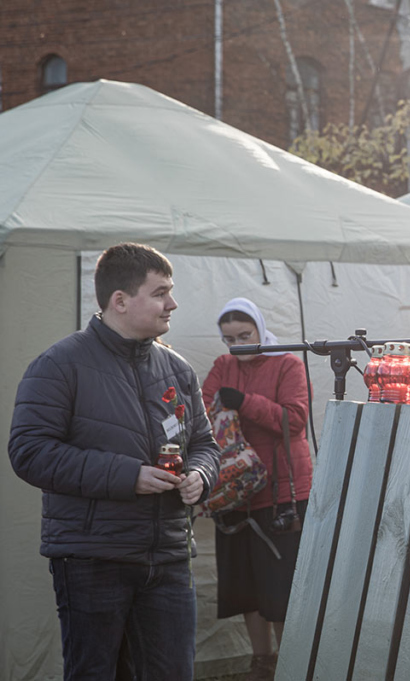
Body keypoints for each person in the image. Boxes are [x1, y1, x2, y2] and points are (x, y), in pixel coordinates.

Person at [8, 243, 220, 680]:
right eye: (161, 292)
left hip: (168, 557)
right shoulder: (59, 365)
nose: (172, 303)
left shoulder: (177, 370)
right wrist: (128, 476)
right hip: (92, 560)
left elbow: (205, 444)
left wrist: (200, 474)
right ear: (119, 301)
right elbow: (29, 452)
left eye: (171, 291)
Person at [201, 298, 313, 681]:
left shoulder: (287, 364)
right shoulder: (223, 365)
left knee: (279, 588)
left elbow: (294, 421)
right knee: (246, 585)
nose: (239, 345)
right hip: (235, 492)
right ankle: (261, 662)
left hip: (282, 493)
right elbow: (205, 412)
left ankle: (289, 664)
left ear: (261, 331)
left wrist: (244, 403)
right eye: (229, 338)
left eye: (245, 336)